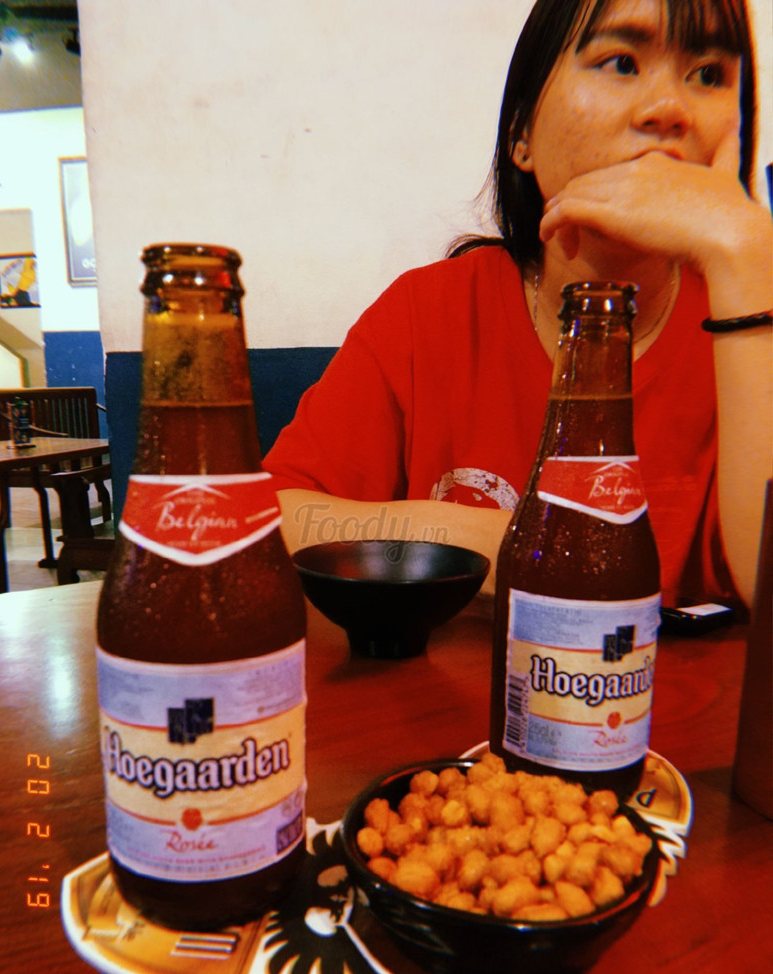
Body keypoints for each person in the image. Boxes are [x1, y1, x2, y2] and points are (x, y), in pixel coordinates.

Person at [264, 0, 772, 608]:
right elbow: (269, 520)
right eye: (621, 62)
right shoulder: (428, 314)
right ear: (522, 135)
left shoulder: (750, 325)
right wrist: (506, 543)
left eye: (709, 74)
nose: (669, 108)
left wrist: (748, 251)